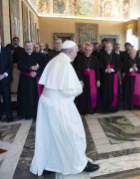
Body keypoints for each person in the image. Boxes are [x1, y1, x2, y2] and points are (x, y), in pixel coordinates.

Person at [30, 40, 100, 176]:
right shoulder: (65, 64)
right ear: (72, 51)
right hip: (58, 104)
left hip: (46, 102)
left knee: (49, 135)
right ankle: (80, 164)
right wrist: (79, 86)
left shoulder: (54, 60)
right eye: (76, 51)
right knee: (73, 134)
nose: (76, 54)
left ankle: (48, 164)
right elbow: (68, 91)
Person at [17, 41, 45, 120]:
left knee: (36, 95)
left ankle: (37, 113)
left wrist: (36, 73)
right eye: (27, 46)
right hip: (25, 80)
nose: (28, 47)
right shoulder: (21, 56)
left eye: (30, 46)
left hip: (36, 79)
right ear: (24, 47)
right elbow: (19, 66)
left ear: (32, 47)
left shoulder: (39, 55)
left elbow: (43, 67)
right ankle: (27, 114)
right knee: (25, 96)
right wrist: (30, 67)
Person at [75, 43, 101, 114]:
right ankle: (84, 109)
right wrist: (80, 80)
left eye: (89, 50)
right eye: (86, 50)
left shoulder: (95, 58)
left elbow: (97, 70)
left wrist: (98, 80)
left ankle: (92, 109)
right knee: (84, 94)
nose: (88, 51)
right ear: (84, 50)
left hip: (93, 78)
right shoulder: (79, 58)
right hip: (84, 79)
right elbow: (78, 70)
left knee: (92, 94)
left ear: (92, 51)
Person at [98, 43, 122, 112]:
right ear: (105, 48)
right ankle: (105, 107)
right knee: (105, 91)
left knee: (114, 91)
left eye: (109, 47)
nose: (108, 48)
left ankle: (114, 107)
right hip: (105, 76)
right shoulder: (102, 55)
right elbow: (100, 66)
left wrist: (112, 69)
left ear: (112, 47)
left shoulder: (116, 56)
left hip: (113, 76)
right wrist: (105, 70)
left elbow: (119, 66)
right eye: (106, 47)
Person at [0, 34, 13, 122]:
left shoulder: (7, 51)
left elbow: (10, 65)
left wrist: (4, 75)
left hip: (5, 78)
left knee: (7, 98)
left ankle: (9, 116)